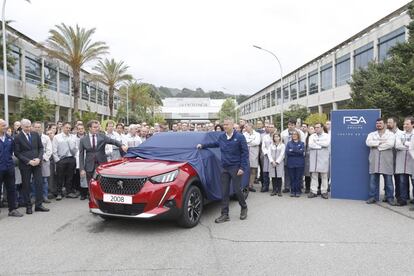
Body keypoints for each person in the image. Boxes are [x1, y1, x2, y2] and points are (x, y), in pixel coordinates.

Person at [197, 117, 249, 223]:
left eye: (227, 124)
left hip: (236, 167)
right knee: (224, 191)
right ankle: (225, 214)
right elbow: (215, 144)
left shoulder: (240, 137)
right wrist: (202, 145)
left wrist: (242, 168)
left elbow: (245, 153)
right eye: (224, 124)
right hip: (225, 167)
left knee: (237, 190)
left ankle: (244, 207)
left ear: (232, 125)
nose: (225, 126)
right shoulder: (222, 137)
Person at [79, 120, 128, 197]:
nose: (97, 128)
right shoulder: (83, 140)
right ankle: (92, 199)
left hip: (101, 164)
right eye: (95, 127)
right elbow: (81, 155)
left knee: (103, 183)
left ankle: (103, 198)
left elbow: (113, 141)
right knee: (90, 184)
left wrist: (122, 145)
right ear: (89, 128)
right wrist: (81, 169)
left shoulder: (102, 136)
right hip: (89, 165)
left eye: (97, 127)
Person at [14, 118, 49, 214]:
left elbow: (41, 148)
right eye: (26, 127)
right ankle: (28, 206)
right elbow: (17, 153)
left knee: (39, 183)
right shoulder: (17, 137)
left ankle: (39, 205)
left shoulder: (35, 134)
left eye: (30, 126)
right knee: (26, 185)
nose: (29, 128)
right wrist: (28, 161)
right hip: (25, 165)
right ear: (21, 126)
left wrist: (39, 158)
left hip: (37, 163)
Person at [366, 118, 396, 206]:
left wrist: (376, 146)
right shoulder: (371, 134)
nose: (378, 124)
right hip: (374, 160)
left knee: (389, 181)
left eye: (380, 123)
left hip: (386, 161)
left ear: (385, 124)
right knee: (373, 181)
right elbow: (368, 142)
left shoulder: (390, 134)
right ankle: (372, 197)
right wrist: (380, 142)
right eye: (377, 123)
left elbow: (390, 144)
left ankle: (390, 198)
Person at [0, 119, 23, 217]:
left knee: (11, 189)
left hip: (9, 168)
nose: (5, 127)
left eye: (6, 125)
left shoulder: (10, 138)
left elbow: (14, 152)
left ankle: (12, 209)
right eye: (3, 125)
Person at [52, 122, 77, 200]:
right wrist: (57, 160)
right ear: (63, 127)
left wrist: (74, 156)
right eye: (66, 127)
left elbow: (76, 148)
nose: (68, 129)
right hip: (61, 159)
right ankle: (59, 193)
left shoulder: (73, 137)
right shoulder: (57, 137)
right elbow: (54, 150)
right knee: (60, 177)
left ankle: (68, 192)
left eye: (69, 128)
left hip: (71, 158)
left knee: (70, 177)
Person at [281, 118, 306, 193]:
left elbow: (303, 145)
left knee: (298, 173)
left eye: (292, 125)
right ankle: (287, 187)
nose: (290, 126)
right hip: (287, 154)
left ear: (295, 125)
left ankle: (299, 187)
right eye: (289, 125)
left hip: (298, 156)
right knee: (287, 171)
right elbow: (282, 143)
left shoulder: (300, 133)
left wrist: (294, 150)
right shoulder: (283, 133)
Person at [308, 123, 331, 199]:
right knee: (314, 175)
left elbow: (326, 144)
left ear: (322, 128)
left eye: (318, 127)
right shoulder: (312, 136)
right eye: (315, 127)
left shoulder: (327, 136)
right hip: (314, 158)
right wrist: (320, 145)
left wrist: (316, 142)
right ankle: (313, 191)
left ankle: (324, 192)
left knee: (324, 175)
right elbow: (310, 145)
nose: (316, 129)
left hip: (323, 158)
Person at [394, 117, 414, 206]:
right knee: (402, 182)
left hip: (412, 161)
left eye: (407, 124)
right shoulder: (400, 134)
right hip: (402, 161)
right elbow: (397, 145)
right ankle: (403, 200)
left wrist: (404, 143)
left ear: (412, 124)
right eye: (404, 124)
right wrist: (409, 145)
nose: (405, 126)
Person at [32, 121, 52, 203]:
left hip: (44, 161)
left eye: (39, 127)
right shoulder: (30, 137)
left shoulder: (46, 138)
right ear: (33, 128)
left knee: (44, 180)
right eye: (36, 127)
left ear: (42, 128)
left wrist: (42, 159)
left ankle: (44, 196)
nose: (37, 129)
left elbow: (49, 150)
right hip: (33, 161)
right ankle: (34, 196)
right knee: (33, 180)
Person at [387, 116, 404, 202]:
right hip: (388, 160)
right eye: (387, 122)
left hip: (399, 160)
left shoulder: (402, 133)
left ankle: (399, 197)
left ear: (395, 123)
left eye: (390, 122)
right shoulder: (386, 133)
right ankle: (388, 196)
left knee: (399, 180)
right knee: (388, 179)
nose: (388, 124)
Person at [285, 130, 305, 197]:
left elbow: (301, 152)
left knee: (298, 178)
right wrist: (297, 150)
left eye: (295, 134)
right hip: (291, 163)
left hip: (299, 163)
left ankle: (298, 191)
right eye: (293, 134)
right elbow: (288, 152)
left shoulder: (302, 143)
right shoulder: (289, 143)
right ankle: (293, 191)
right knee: (292, 178)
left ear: (298, 135)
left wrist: (293, 150)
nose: (294, 135)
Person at [244, 123, 261, 192]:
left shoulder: (257, 134)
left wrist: (248, 142)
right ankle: (246, 185)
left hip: (254, 154)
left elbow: (257, 142)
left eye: (246, 126)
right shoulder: (244, 134)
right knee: (246, 170)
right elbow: (243, 142)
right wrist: (251, 142)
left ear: (251, 126)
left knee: (253, 170)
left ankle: (251, 185)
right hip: (246, 154)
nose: (245, 128)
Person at [73, 124, 87, 200]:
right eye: (79, 129)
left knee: (87, 176)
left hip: (87, 158)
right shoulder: (74, 138)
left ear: (84, 129)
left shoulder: (87, 137)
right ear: (77, 130)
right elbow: (74, 149)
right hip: (78, 158)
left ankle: (87, 192)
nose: (80, 130)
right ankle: (82, 193)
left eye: (82, 128)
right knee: (80, 175)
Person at [268, 132, 285, 196]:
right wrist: (272, 161)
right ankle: (274, 190)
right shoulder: (271, 145)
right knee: (273, 177)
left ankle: (279, 191)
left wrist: (277, 162)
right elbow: (269, 154)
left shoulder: (282, 145)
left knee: (279, 177)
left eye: (277, 136)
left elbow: (282, 154)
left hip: (279, 163)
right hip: (272, 163)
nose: (276, 138)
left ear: (280, 137)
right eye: (274, 137)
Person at [260, 124, 275, 192]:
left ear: (274, 128)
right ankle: (265, 186)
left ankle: (275, 187)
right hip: (266, 156)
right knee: (265, 172)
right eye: (269, 127)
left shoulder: (276, 136)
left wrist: (271, 154)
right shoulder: (265, 137)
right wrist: (267, 153)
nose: (270, 128)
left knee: (274, 172)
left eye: (272, 127)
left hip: (274, 156)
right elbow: (263, 146)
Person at [303, 125, 315, 193]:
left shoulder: (316, 137)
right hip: (307, 158)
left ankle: (314, 188)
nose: (310, 130)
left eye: (312, 129)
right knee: (307, 174)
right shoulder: (307, 138)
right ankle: (307, 188)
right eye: (309, 129)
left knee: (314, 174)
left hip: (314, 157)